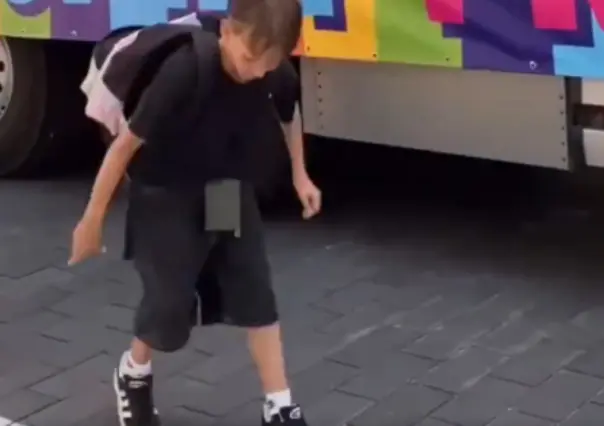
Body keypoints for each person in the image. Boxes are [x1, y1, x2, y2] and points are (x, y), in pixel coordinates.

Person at [68, 1, 322, 425]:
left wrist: (300, 175)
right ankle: (133, 372)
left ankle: (279, 404)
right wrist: (92, 218)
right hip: (168, 190)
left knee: (251, 284)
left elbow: (287, 112)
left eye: (268, 64)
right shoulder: (185, 71)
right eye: (248, 60)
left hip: (224, 186)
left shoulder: (272, 68)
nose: (256, 72)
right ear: (226, 31)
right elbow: (123, 148)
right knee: (170, 301)